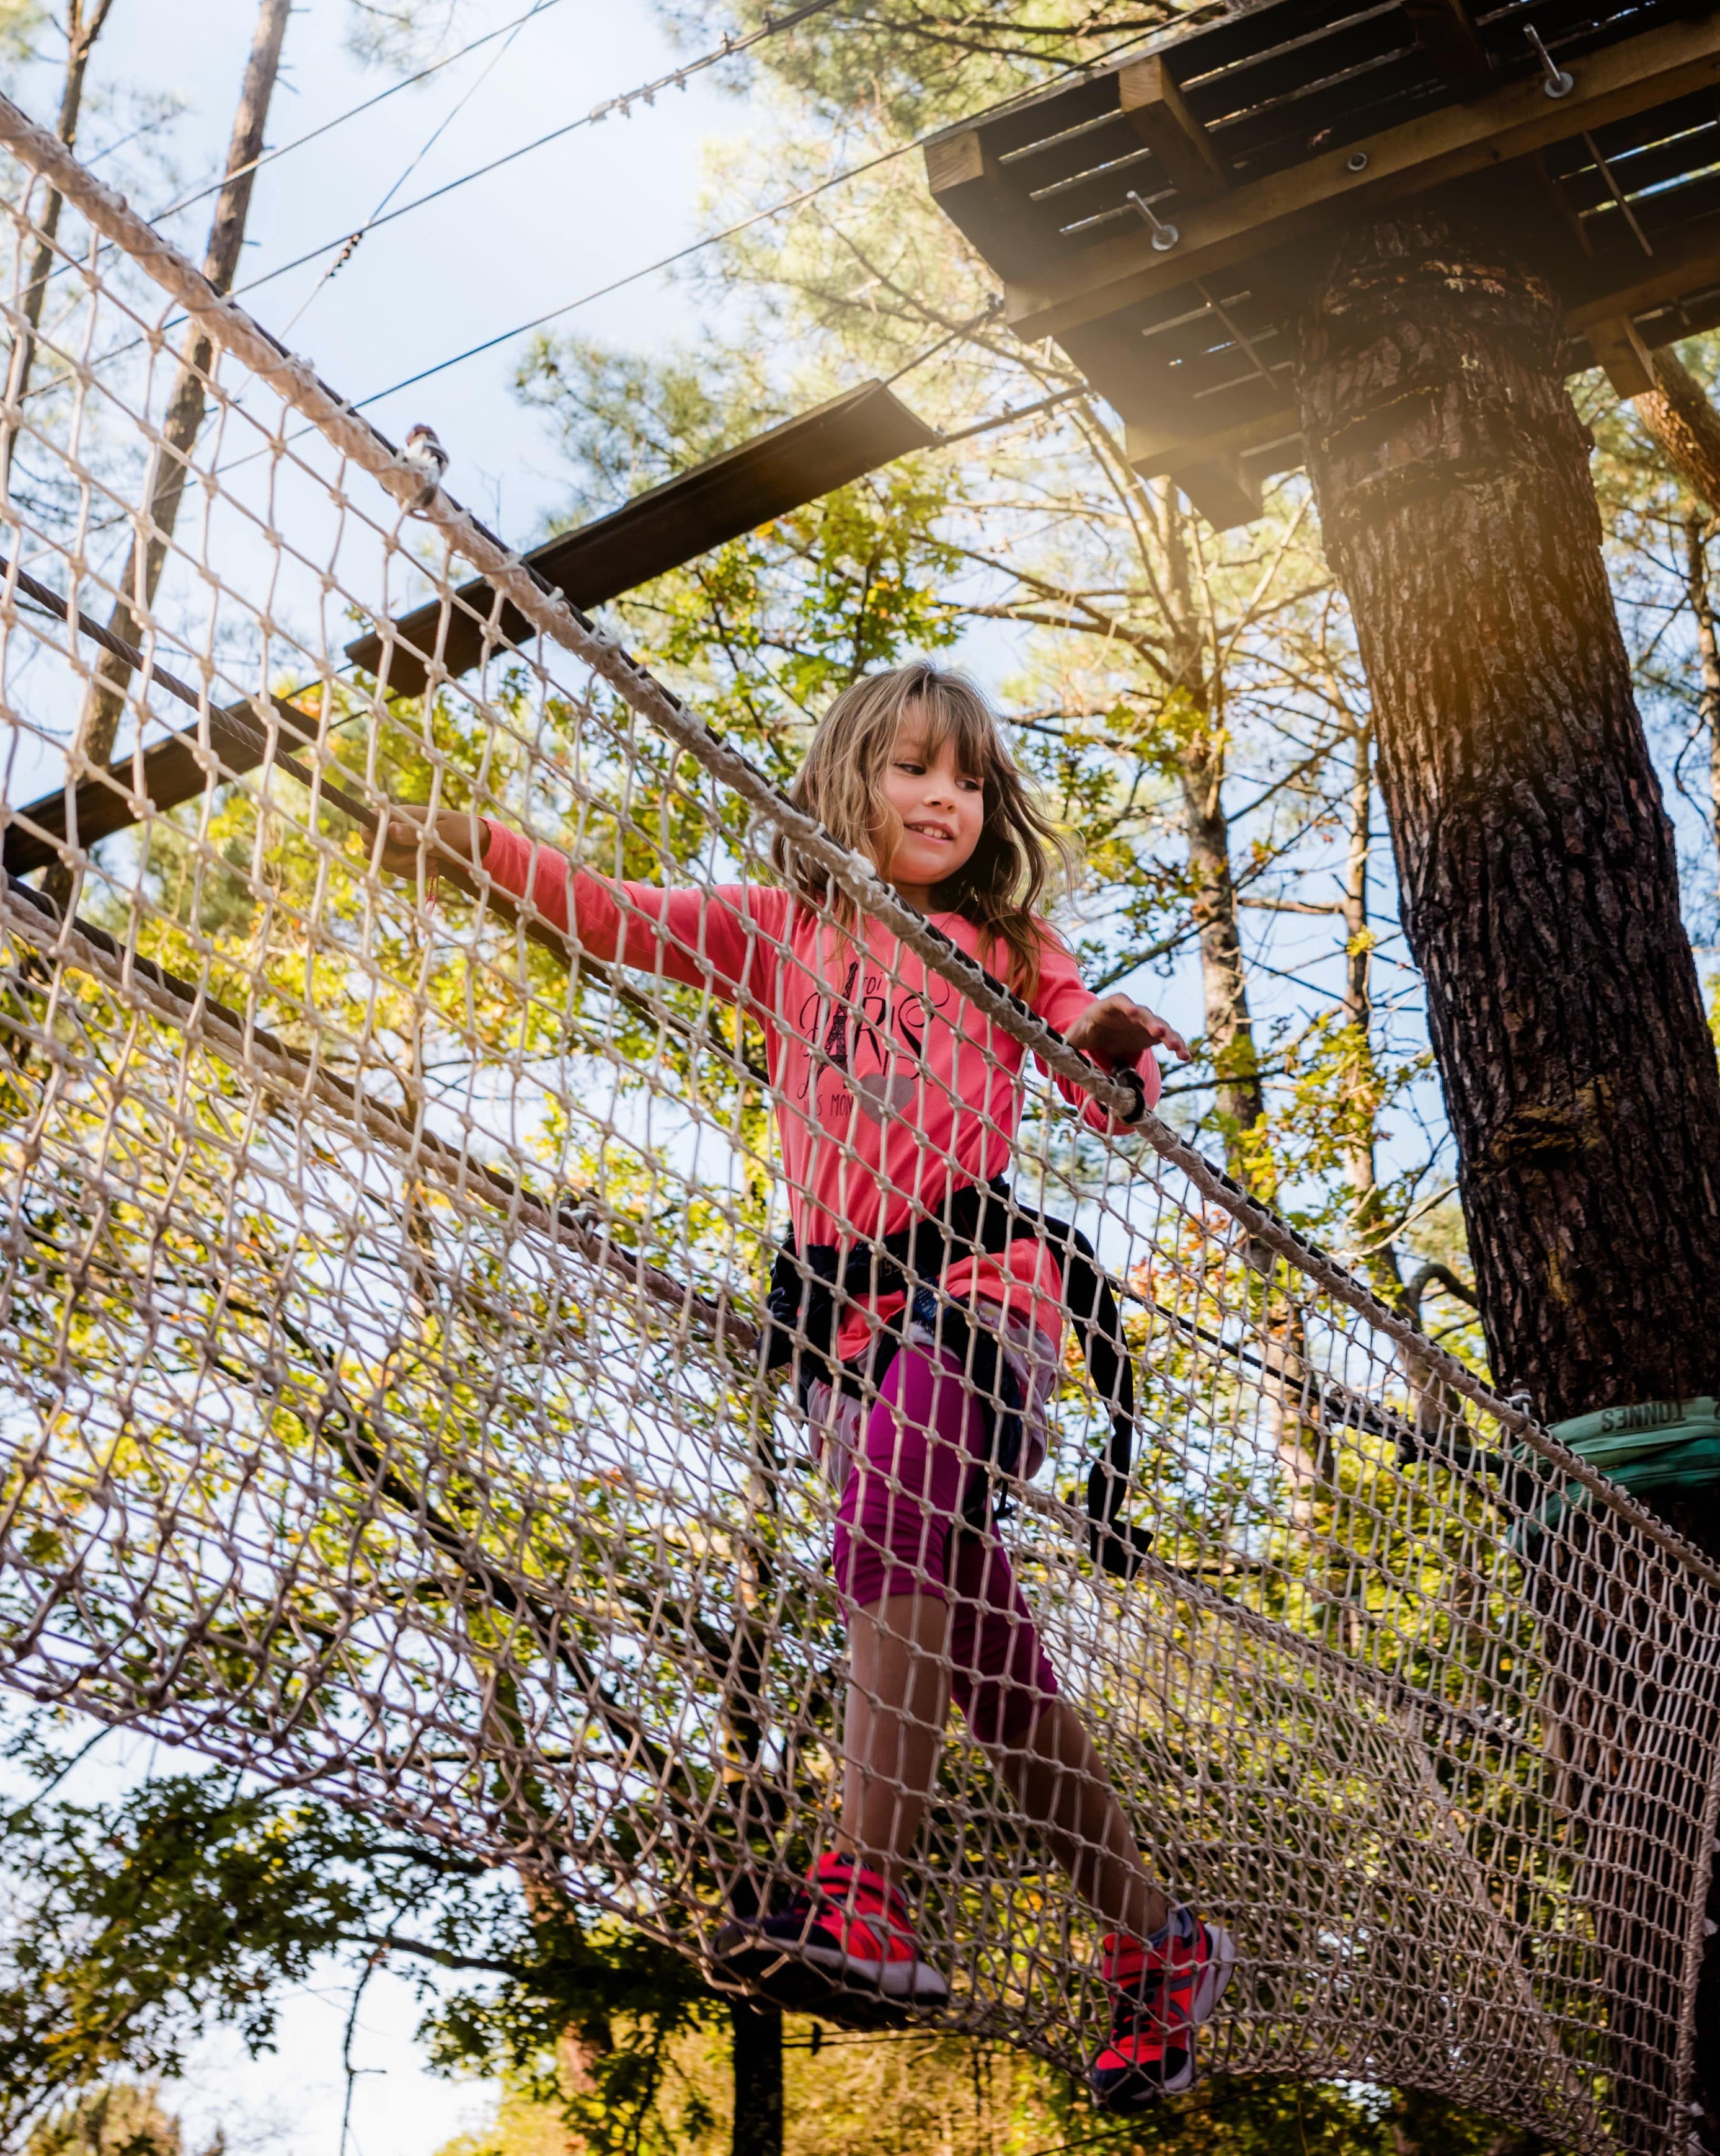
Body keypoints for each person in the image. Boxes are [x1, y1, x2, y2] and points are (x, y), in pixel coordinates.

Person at [375, 660, 1232, 2109]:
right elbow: (610, 916)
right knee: (989, 1677)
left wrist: (1112, 1052)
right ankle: (1155, 1943)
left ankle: (867, 1894)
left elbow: (1100, 1079)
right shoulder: (777, 932)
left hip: (983, 1298)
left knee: (892, 1507)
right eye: (910, 766)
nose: (941, 795)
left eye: (963, 775)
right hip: (848, 1334)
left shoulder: (1008, 945)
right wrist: (472, 840)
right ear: (847, 778)